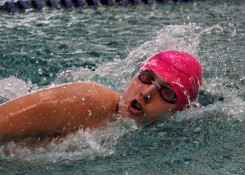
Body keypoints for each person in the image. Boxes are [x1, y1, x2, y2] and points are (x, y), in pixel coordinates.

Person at [0, 50, 202, 143]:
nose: (147, 92)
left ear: (177, 111)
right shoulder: (89, 100)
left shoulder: (130, 133)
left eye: (166, 93)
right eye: (147, 77)